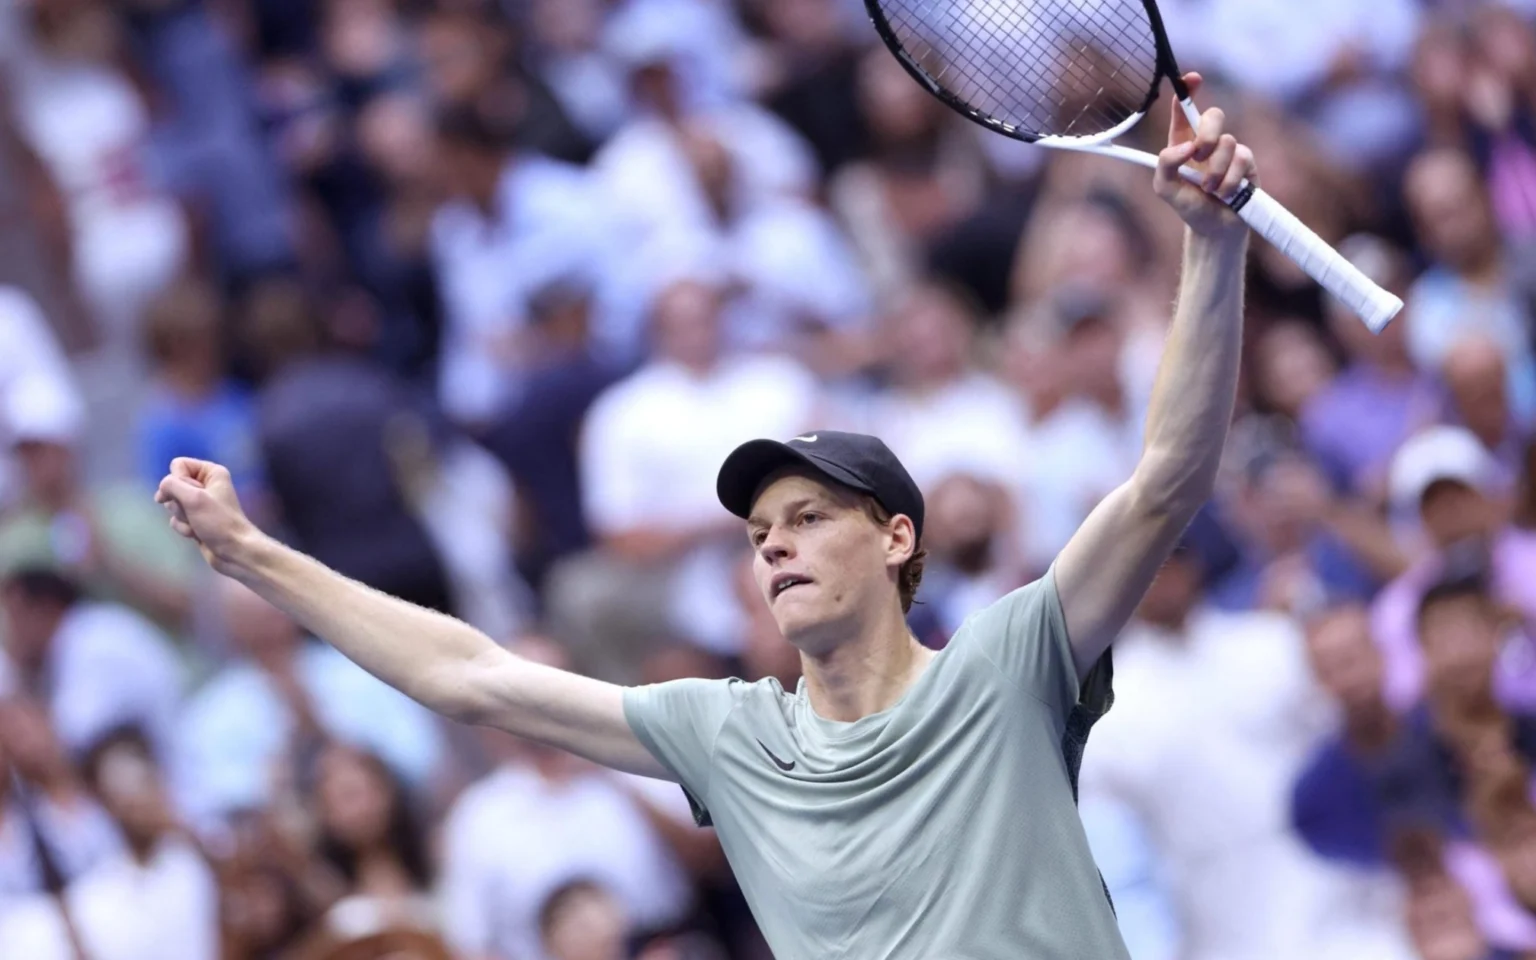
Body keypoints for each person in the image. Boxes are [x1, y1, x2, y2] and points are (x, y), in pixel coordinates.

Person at [155, 74, 1258, 958]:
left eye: (808, 514)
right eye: (756, 531)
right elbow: (469, 677)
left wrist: (1209, 245)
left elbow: (1166, 475)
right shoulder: (728, 740)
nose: (771, 541)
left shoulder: (1008, 665)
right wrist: (253, 555)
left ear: (896, 539)